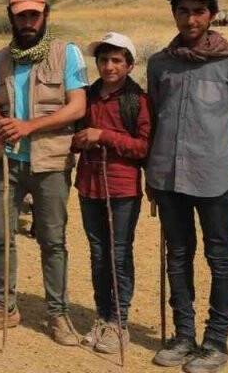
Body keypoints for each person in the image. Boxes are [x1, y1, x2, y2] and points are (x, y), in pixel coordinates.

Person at [146, 0, 228, 373]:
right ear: (174, 14)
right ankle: (184, 336)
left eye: (198, 11)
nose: (190, 19)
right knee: (177, 256)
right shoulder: (160, 63)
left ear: (212, 14)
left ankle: (216, 342)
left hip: (215, 179)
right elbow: (153, 121)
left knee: (220, 257)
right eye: (183, 11)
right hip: (168, 178)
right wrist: (151, 174)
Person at [0, 0, 87, 345]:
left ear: (45, 14)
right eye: (21, 15)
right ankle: (4, 306)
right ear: (11, 17)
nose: (27, 21)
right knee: (0, 235)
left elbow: (77, 106)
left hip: (50, 160)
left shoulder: (66, 53)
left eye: (33, 14)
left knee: (52, 239)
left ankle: (57, 314)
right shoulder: (2, 58)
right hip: (7, 160)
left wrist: (29, 126)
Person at [73, 32, 151, 355]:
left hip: (122, 188)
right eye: (103, 60)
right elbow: (74, 136)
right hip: (89, 186)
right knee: (97, 254)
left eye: (117, 60)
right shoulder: (87, 97)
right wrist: (80, 140)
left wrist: (103, 135)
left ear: (130, 65)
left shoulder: (138, 101)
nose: (109, 66)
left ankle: (119, 323)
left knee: (118, 254)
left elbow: (143, 147)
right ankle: (102, 317)